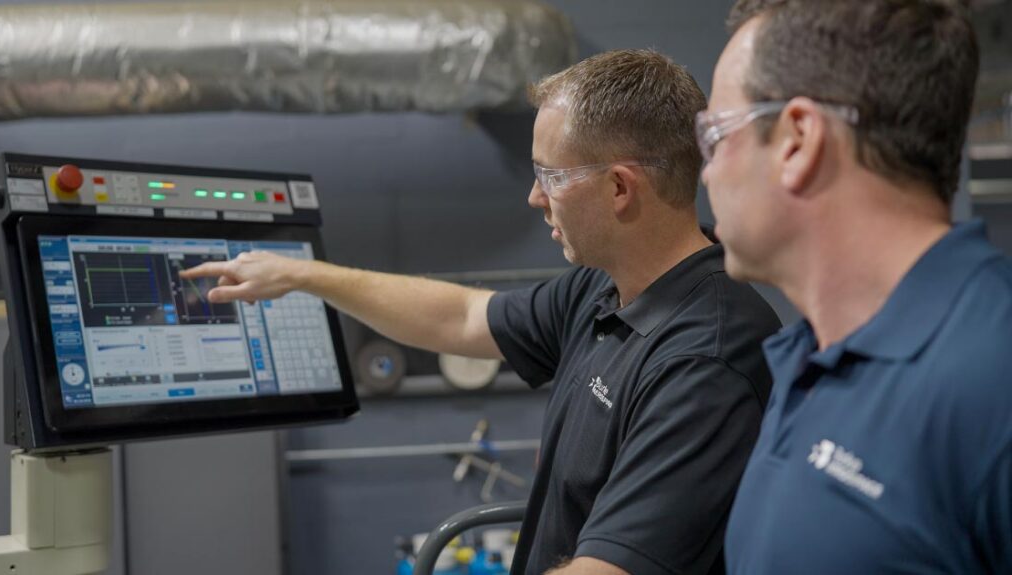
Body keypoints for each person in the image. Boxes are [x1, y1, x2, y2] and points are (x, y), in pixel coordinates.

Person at [183, 49, 781, 575]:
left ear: (620, 189)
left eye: (550, 175)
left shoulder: (706, 360)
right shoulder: (604, 289)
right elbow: (463, 318)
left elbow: (610, 570)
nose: (535, 196)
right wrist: (301, 274)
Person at [700, 1, 1012, 573]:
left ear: (797, 139)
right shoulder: (808, 360)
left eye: (717, 134)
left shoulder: (993, 378)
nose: (707, 171)